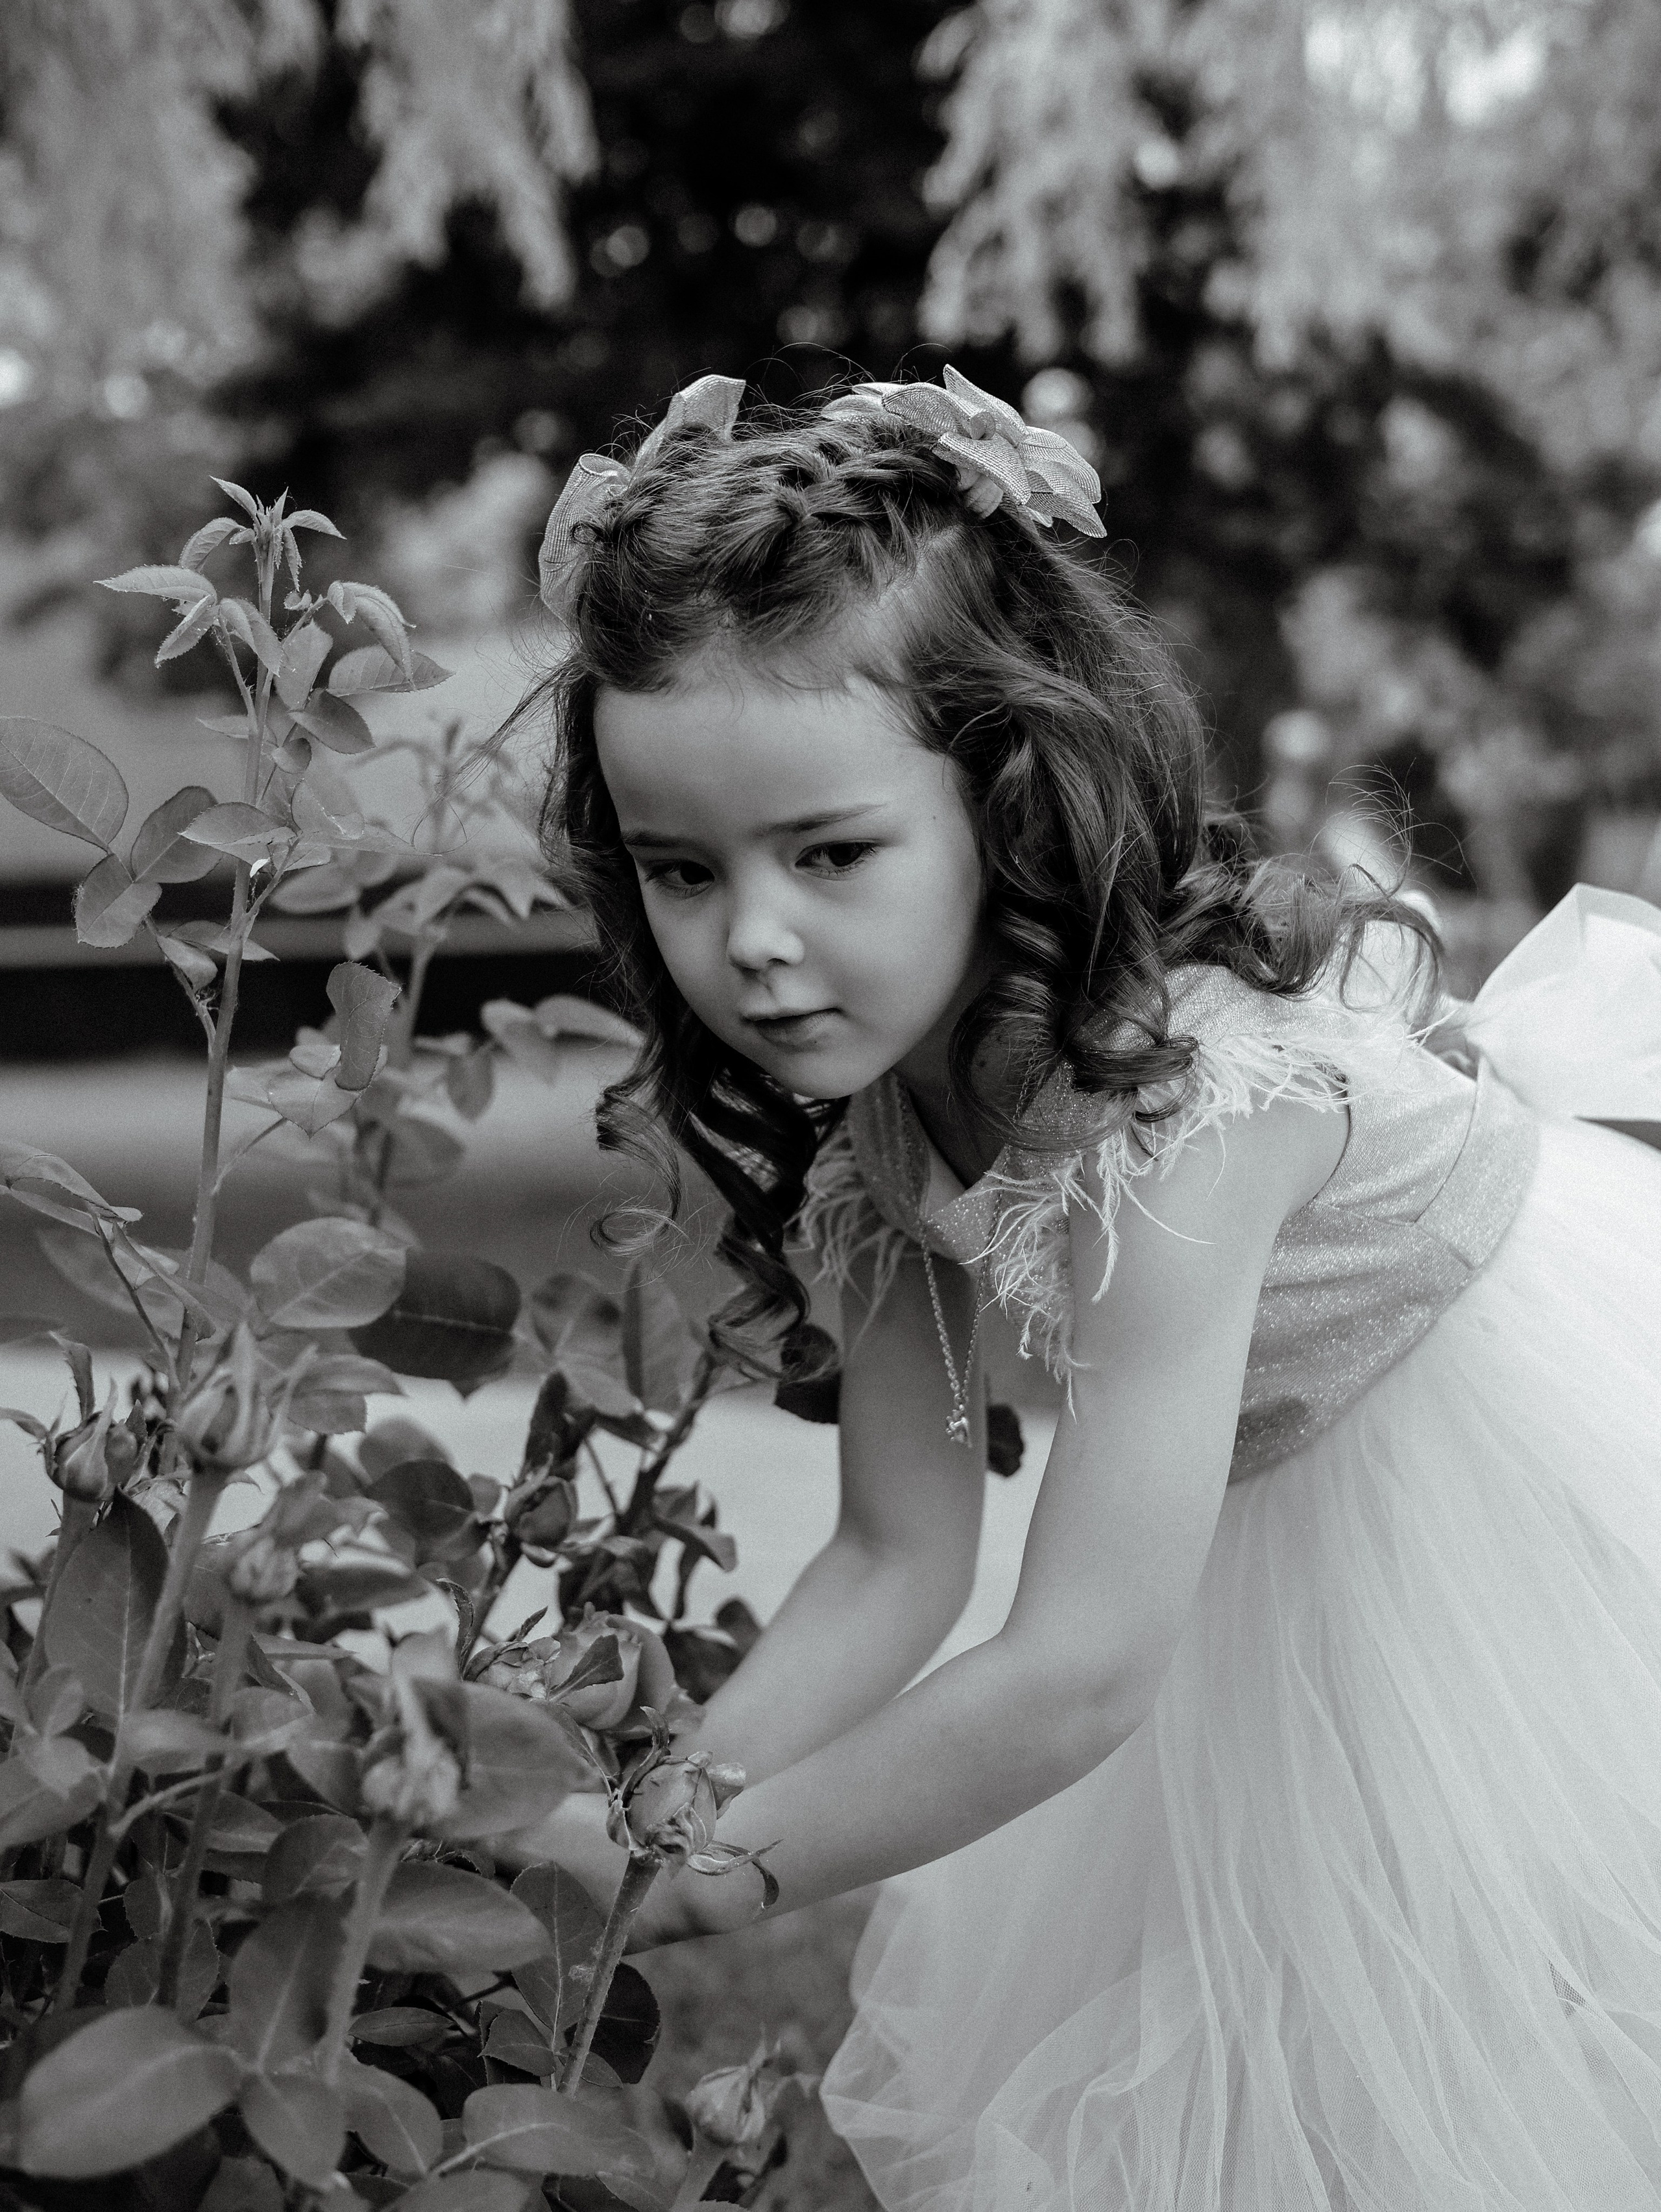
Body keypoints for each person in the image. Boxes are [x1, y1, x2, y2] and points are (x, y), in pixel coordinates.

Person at [503, 366, 1661, 2208]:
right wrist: (648, 1829)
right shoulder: (879, 1109)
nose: (755, 939)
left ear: (1008, 790)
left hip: (1525, 1508)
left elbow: (1076, 1673)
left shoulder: (1184, 1117)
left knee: (1499, 2055)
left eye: (829, 852)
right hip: (1259, 1525)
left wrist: (684, 1877)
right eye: (680, 872)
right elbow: (897, 1554)